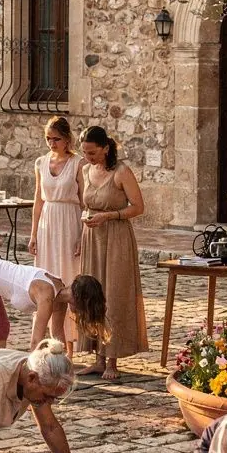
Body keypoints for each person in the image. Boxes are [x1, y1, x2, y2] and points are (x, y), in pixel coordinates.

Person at [78, 125, 148, 381]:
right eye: (85, 153)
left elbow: (139, 207)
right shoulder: (85, 170)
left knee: (114, 295)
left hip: (117, 238)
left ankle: (113, 359)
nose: (88, 158)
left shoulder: (121, 172)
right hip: (92, 239)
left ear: (106, 148)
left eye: (93, 153)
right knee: (91, 295)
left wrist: (110, 215)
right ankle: (97, 357)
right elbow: (84, 202)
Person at [29, 116, 84, 357]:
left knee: (69, 279)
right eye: (48, 139)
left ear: (67, 139)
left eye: (56, 139)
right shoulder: (41, 162)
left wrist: (82, 234)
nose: (52, 143)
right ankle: (52, 344)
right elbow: (38, 200)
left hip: (69, 221)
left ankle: (71, 344)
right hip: (47, 225)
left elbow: (84, 201)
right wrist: (33, 235)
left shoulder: (78, 163)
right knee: (48, 280)